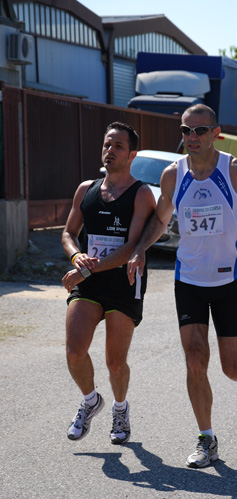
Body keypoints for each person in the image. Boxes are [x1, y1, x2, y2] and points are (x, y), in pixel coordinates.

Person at [127, 104, 237, 468]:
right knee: (195, 358)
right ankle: (207, 439)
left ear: (215, 132)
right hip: (188, 279)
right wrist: (141, 250)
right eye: (186, 131)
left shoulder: (235, 170)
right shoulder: (172, 176)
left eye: (200, 130)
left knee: (230, 367)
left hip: (227, 280)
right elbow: (161, 219)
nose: (192, 138)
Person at [61, 122, 156, 444]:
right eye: (107, 144)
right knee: (75, 352)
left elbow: (132, 247)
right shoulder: (85, 189)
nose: (110, 151)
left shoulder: (141, 194)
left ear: (132, 154)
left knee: (114, 361)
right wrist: (76, 258)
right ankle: (91, 401)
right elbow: (68, 234)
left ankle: (120, 408)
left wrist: (87, 269)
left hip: (124, 282)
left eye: (117, 146)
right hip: (88, 282)